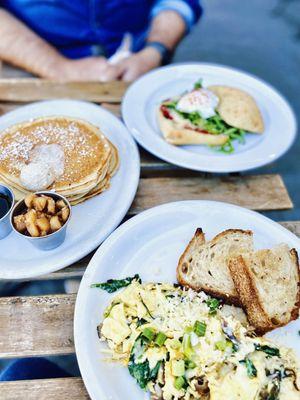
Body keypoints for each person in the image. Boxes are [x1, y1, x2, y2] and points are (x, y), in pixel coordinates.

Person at [0, 1, 202, 81]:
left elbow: (178, 2)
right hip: (29, 58)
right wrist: (58, 67)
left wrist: (155, 51)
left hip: (139, 55)